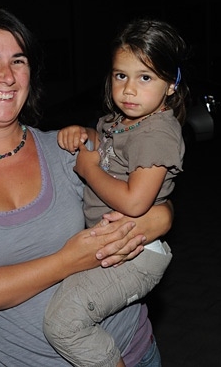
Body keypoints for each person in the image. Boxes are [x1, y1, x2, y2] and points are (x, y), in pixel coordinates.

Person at [0, 6, 173, 367]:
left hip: (131, 352)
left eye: (19, 61)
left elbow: (152, 196)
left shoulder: (68, 148)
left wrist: (162, 217)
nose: (7, 76)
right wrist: (66, 261)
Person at [43, 18, 189, 367]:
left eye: (145, 77)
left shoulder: (157, 133)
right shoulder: (119, 120)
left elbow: (135, 202)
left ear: (171, 84)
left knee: (63, 322)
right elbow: (108, 147)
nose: (129, 90)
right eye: (121, 75)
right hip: (118, 246)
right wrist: (85, 135)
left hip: (138, 255)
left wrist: (89, 169)